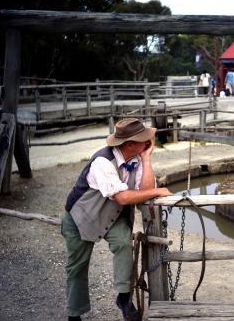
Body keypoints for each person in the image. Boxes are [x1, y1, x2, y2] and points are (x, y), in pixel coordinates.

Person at [61, 118, 173, 321]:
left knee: (123, 243)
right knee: (77, 266)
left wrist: (147, 159)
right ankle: (74, 314)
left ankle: (123, 297)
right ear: (130, 144)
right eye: (144, 140)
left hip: (113, 216)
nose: (149, 141)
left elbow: (146, 192)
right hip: (82, 217)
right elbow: (122, 197)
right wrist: (158, 190)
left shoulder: (137, 159)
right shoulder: (102, 162)